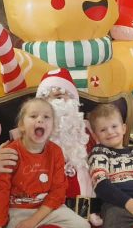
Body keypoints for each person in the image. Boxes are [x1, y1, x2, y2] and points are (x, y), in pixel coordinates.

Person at [0, 98, 89, 228]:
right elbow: (1, 194)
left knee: (83, 227)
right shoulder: (11, 152)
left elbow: (58, 192)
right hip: (18, 210)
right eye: (33, 116)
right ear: (21, 125)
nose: (40, 120)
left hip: (49, 208)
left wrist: (34, 220)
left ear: (53, 127)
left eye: (46, 117)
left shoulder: (56, 152)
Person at [35, 68, 93, 215]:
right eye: (46, 99)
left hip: (86, 210)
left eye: (59, 96)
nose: (53, 103)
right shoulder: (31, 132)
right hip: (46, 211)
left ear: (73, 100)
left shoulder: (88, 129)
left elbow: (114, 150)